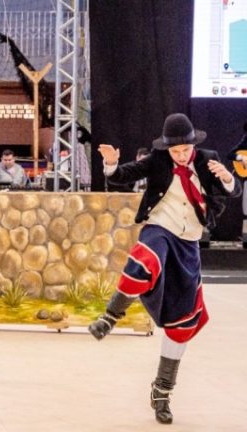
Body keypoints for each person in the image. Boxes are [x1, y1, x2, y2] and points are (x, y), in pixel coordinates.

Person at [91, 113, 240, 424]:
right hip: (160, 228)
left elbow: (232, 191)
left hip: (189, 243)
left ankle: (162, 391)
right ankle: (110, 316)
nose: (181, 155)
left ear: (193, 145)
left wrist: (226, 177)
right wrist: (111, 164)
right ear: (167, 148)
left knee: (182, 323)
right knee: (146, 260)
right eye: (175, 151)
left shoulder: (209, 160)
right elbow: (122, 176)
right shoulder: (158, 159)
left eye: (185, 150)